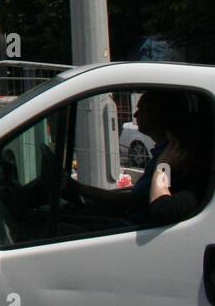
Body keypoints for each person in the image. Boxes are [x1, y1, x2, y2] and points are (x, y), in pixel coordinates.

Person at [63, 89, 209, 226]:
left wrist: (163, 166)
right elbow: (136, 199)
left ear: (156, 114)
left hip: (135, 227)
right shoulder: (164, 152)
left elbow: (140, 203)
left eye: (141, 110)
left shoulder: (172, 158)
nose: (135, 115)